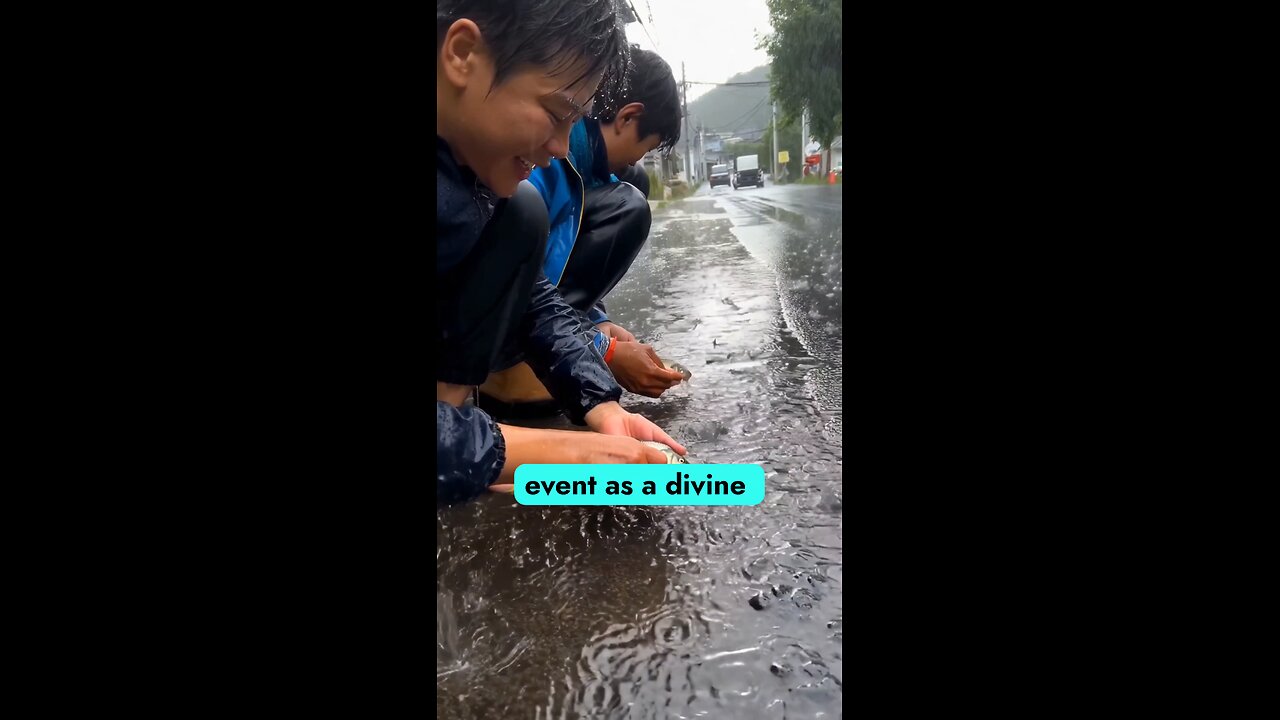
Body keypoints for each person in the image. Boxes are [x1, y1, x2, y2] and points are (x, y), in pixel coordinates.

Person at [436, 0, 686, 506]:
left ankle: (450, 425)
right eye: (556, 114)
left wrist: (602, 406)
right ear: (463, 55)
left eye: (575, 122)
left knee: (522, 209)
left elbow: (533, 297)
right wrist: (565, 455)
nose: (560, 147)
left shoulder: (478, 179)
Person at [478, 46, 686, 419]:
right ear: (626, 117)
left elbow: (559, 258)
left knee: (632, 186)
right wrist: (602, 351)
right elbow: (511, 275)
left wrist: (597, 325)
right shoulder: (536, 161)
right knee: (628, 202)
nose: (555, 144)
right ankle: (508, 372)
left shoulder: (588, 166)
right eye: (645, 148)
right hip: (491, 320)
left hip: (527, 306)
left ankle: (547, 355)